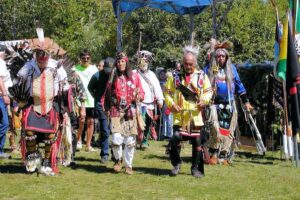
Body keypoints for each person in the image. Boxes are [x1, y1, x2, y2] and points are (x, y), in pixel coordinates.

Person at [10, 40, 69, 175]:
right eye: (39, 60)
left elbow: (65, 87)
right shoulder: (29, 66)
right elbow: (17, 83)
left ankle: (47, 162)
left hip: (50, 104)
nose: (42, 62)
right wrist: (17, 102)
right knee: (29, 132)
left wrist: (64, 107)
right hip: (32, 104)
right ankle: (33, 158)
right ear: (35, 56)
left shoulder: (56, 66)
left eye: (44, 60)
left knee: (50, 134)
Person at [164, 45, 212, 178]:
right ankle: (176, 164)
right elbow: (167, 93)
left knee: (197, 141)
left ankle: (195, 168)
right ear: (182, 62)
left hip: (196, 116)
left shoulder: (202, 76)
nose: (188, 66)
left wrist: (204, 101)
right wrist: (172, 105)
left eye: (190, 64)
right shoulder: (175, 77)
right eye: (186, 64)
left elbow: (209, 92)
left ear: (195, 63)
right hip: (180, 116)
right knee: (176, 138)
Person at [204, 40, 253, 165]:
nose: (220, 58)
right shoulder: (209, 69)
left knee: (228, 130)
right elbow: (202, 83)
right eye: (218, 56)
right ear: (215, 57)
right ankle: (213, 153)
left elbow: (239, 86)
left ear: (226, 57)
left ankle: (223, 155)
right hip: (213, 103)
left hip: (229, 103)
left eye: (223, 56)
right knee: (215, 128)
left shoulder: (231, 69)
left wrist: (246, 102)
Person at [104, 52, 144, 175]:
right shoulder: (113, 76)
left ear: (126, 62)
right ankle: (118, 160)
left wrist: (139, 96)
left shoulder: (135, 77)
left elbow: (141, 93)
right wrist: (107, 107)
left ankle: (128, 165)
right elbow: (107, 93)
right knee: (116, 138)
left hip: (130, 111)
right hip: (116, 110)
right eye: (119, 61)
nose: (121, 64)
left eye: (123, 61)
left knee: (130, 140)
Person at [133, 50, 164, 149]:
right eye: (142, 60)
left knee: (148, 123)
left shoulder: (152, 75)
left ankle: (144, 141)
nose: (144, 62)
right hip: (138, 103)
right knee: (139, 123)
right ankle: (137, 140)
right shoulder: (133, 73)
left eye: (146, 61)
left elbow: (157, 87)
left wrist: (160, 99)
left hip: (150, 104)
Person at [88, 57, 114, 163]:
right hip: (100, 105)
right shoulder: (97, 76)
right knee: (105, 130)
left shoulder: (115, 75)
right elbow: (90, 88)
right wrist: (97, 98)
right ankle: (104, 154)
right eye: (106, 70)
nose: (108, 73)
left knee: (115, 131)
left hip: (113, 105)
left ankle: (115, 154)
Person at [73, 49, 98, 152]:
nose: (86, 60)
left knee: (91, 121)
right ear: (80, 59)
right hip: (80, 100)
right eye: (83, 58)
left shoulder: (94, 69)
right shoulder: (75, 69)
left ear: (90, 58)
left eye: (88, 58)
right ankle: (78, 140)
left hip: (92, 99)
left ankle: (88, 145)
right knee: (81, 121)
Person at [0, 45, 12, 159]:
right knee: (4, 123)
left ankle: (0, 150)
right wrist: (4, 94)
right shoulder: (1, 62)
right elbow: (0, 79)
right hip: (0, 97)